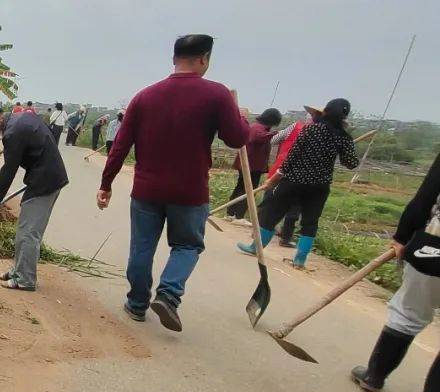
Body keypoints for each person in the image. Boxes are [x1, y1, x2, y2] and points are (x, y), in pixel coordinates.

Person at [97, 34, 250, 331]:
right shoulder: (217, 95)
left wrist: (107, 183)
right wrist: (240, 116)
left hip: (146, 189)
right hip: (190, 191)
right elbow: (237, 138)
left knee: (142, 247)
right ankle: (168, 294)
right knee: (188, 246)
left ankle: (137, 304)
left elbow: (120, 145)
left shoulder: (145, 96)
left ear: (174, 59)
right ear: (204, 59)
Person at [350, 153, 440, 392]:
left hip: (434, 249)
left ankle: (374, 376)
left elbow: (426, 195)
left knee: (409, 312)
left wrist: (402, 236)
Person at [237, 98, 359, 269]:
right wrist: (345, 145)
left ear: (326, 111)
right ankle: (300, 259)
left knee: (271, 212)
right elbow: (351, 163)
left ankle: (256, 247)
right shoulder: (343, 137)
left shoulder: (311, 130)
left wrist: (276, 177)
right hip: (319, 186)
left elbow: (293, 156)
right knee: (310, 221)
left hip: (294, 180)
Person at [0, 100, 69, 291]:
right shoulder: (19, 121)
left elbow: (8, 170)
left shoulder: (13, 132)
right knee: (26, 230)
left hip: (45, 181)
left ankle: (25, 279)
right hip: (44, 176)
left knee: (28, 233)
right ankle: (19, 269)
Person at [265, 106, 323, 246]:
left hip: (282, 168)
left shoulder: (295, 126)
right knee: (294, 208)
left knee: (270, 201)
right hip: (301, 176)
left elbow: (274, 140)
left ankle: (260, 232)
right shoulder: (324, 134)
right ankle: (285, 238)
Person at [225, 108, 282, 222]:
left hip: (250, 165)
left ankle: (231, 213)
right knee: (248, 190)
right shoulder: (258, 128)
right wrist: (273, 134)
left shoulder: (260, 127)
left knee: (241, 188)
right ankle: (238, 216)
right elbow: (257, 138)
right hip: (251, 165)